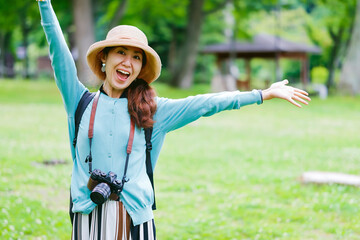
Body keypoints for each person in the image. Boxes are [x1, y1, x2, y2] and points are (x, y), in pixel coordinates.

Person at [37, 0, 310, 239]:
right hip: (87, 215)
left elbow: (204, 104)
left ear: (141, 68)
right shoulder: (80, 103)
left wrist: (262, 94)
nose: (128, 62)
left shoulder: (152, 111)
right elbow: (59, 55)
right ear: (105, 58)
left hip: (135, 220)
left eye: (136, 57)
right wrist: (45, 4)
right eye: (121, 52)